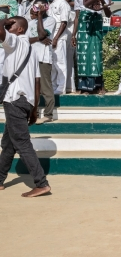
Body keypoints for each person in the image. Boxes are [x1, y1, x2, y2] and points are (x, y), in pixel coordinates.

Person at [0, 17, 51, 197]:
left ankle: (41, 183)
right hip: (26, 101)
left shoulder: (14, 41)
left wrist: (4, 19)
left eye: (11, 25)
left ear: (20, 29)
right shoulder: (31, 49)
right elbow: (37, 82)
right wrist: (35, 108)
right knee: (8, 143)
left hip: (14, 100)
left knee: (22, 142)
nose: (8, 27)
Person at [71, 0, 112, 94]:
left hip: (96, 26)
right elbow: (77, 16)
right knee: (83, 55)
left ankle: (98, 86)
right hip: (84, 26)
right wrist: (74, 34)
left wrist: (103, 3)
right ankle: (84, 87)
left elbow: (109, 14)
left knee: (95, 55)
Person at [27, 0, 56, 124]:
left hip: (43, 58)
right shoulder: (30, 23)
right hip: (31, 57)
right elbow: (27, 40)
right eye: (36, 6)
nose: (38, 8)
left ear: (46, 7)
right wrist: (40, 38)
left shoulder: (50, 20)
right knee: (33, 88)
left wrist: (39, 17)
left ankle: (48, 114)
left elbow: (43, 33)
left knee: (45, 87)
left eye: (41, 6)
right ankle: (35, 113)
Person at [47, 0, 71, 95]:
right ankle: (53, 85)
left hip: (59, 37)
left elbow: (64, 23)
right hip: (50, 37)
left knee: (60, 63)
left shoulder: (63, 4)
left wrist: (56, 38)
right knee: (52, 63)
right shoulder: (51, 3)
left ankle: (61, 88)